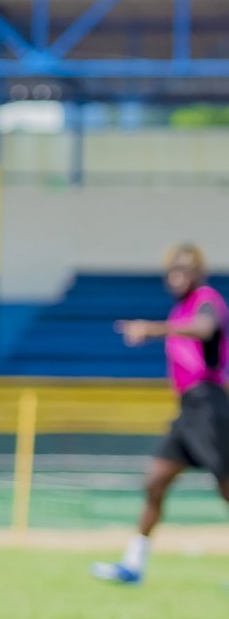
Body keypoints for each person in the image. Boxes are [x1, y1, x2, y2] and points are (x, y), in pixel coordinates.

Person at [92, 244, 229, 583]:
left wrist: (154, 330)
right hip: (189, 410)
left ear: (198, 273)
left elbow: (206, 328)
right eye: (172, 271)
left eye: (184, 270)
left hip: (209, 405)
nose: (177, 276)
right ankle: (133, 564)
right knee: (155, 481)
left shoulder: (206, 300)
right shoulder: (180, 310)